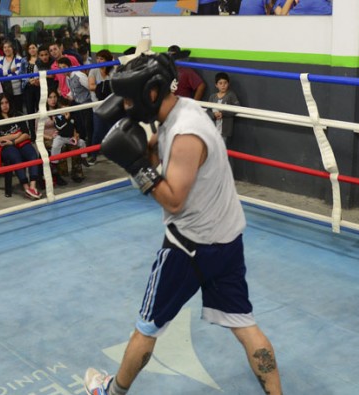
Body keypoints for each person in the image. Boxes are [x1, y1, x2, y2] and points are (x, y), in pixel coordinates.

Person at [83, 53, 282, 395]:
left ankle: (111, 392)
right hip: (226, 241)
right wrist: (145, 154)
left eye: (130, 99)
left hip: (189, 246)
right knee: (245, 325)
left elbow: (174, 198)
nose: (126, 106)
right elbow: (164, 156)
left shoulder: (187, 132)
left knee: (146, 328)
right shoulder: (183, 110)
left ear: (151, 94)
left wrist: (136, 167)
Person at [207, 72, 241, 143]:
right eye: (220, 83)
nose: (223, 85)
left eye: (225, 83)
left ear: (228, 84)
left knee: (222, 149)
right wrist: (214, 115)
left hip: (224, 130)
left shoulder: (231, 95)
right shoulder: (212, 97)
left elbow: (237, 108)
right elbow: (208, 111)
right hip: (213, 129)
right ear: (216, 85)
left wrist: (223, 114)